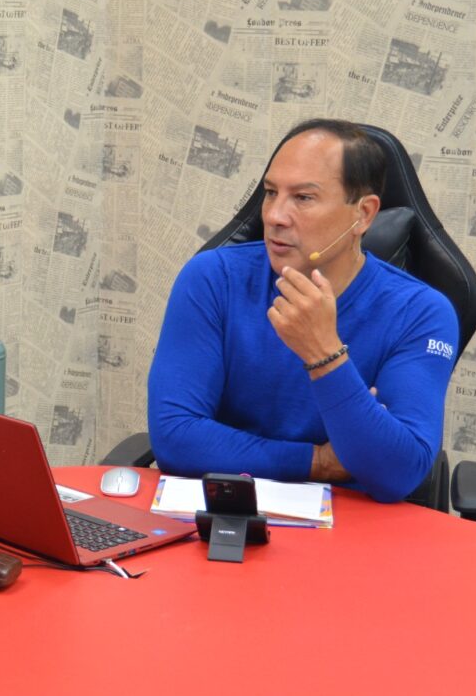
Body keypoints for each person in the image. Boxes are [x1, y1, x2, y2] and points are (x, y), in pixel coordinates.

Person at [148, 119, 459, 503]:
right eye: (271, 192)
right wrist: (319, 461)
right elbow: (175, 438)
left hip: (355, 533)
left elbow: (398, 472)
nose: (275, 215)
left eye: (303, 198)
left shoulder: (422, 312)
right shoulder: (212, 278)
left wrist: (323, 354)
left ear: (362, 214)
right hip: (230, 515)